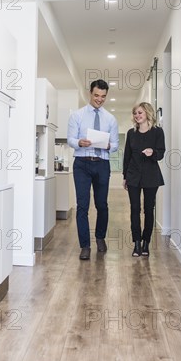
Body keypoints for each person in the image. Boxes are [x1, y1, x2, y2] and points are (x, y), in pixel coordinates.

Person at [67, 79, 119, 260]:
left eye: (103, 96)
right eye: (96, 95)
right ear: (90, 93)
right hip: (82, 163)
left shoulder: (110, 119)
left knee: (102, 204)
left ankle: (100, 237)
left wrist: (107, 146)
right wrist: (79, 142)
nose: (99, 99)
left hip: (102, 164)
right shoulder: (77, 116)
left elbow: (115, 145)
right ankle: (85, 246)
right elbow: (70, 139)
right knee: (83, 205)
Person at [122, 102, 165, 257]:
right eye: (135, 113)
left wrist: (152, 152)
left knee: (148, 209)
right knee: (135, 209)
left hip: (151, 176)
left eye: (140, 113)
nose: (137, 116)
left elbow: (161, 153)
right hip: (133, 175)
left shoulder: (157, 132)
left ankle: (146, 242)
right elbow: (127, 156)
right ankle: (137, 243)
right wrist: (125, 176)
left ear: (147, 113)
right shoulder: (131, 133)